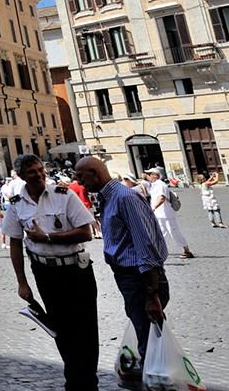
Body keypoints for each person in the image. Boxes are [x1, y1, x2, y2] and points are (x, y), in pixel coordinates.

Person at [4, 154, 98, 391]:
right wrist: (22, 283)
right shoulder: (16, 204)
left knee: (86, 328)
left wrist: (48, 237)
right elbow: (15, 244)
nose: (38, 175)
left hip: (76, 270)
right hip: (44, 272)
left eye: (40, 170)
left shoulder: (63, 195)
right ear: (22, 176)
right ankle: (74, 378)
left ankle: (87, 381)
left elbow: (85, 233)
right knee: (61, 328)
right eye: (31, 172)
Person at [75, 156, 169, 369]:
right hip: (130, 279)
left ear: (95, 173)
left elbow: (145, 247)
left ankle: (157, 380)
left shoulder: (124, 198)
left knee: (148, 343)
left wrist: (152, 294)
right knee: (147, 336)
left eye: (81, 177)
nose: (79, 182)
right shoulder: (109, 198)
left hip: (140, 280)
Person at [144, 167, 193, 259]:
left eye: (149, 174)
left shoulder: (161, 185)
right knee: (160, 233)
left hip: (166, 213)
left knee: (173, 232)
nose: (147, 176)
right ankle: (156, 251)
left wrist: (153, 207)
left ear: (155, 175)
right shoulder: (154, 185)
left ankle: (187, 250)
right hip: (159, 214)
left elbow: (161, 198)